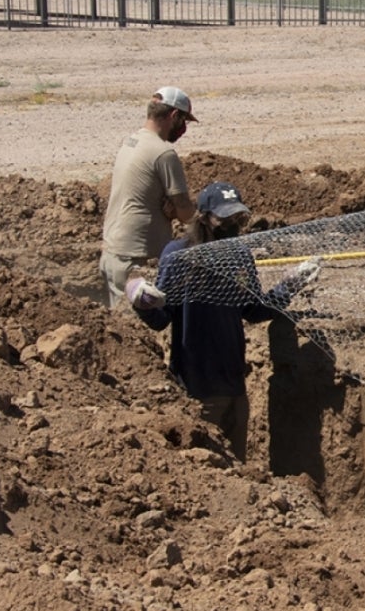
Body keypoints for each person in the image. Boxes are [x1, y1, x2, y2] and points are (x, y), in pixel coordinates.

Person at [129, 181, 317, 463]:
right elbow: (160, 320)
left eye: (238, 218)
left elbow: (253, 310)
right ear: (204, 217)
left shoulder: (239, 255)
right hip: (198, 390)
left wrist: (290, 285)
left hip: (235, 386)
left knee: (238, 468)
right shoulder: (180, 256)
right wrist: (139, 299)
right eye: (225, 219)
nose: (233, 225)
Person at [99, 86, 199, 308]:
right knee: (141, 328)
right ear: (174, 116)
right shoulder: (163, 153)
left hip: (113, 252)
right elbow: (185, 213)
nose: (184, 129)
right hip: (137, 259)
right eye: (184, 121)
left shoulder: (131, 141)